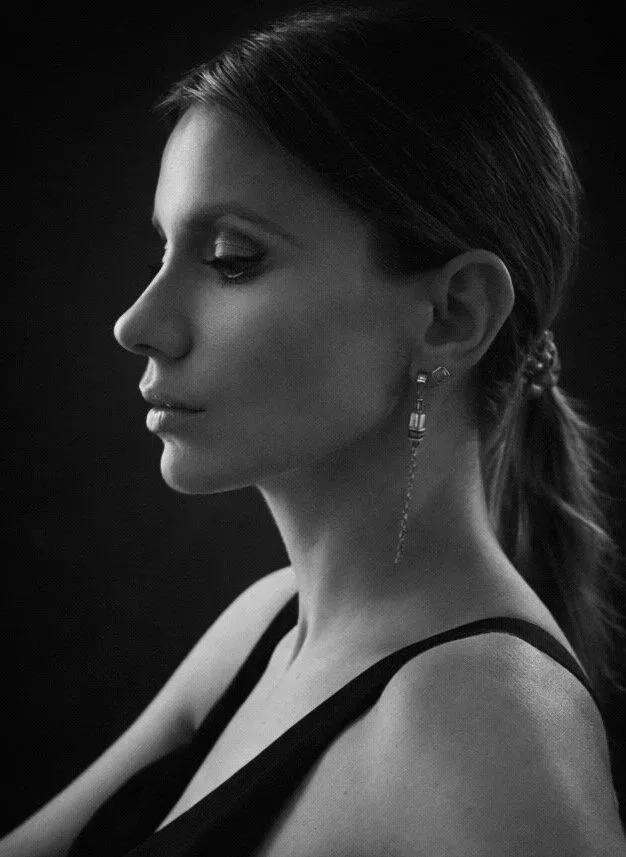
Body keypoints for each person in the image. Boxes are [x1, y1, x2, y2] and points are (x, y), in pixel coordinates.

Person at [3, 2, 625, 855]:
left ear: (452, 314)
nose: (138, 322)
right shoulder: (269, 625)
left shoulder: (486, 730)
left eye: (231, 259)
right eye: (163, 253)